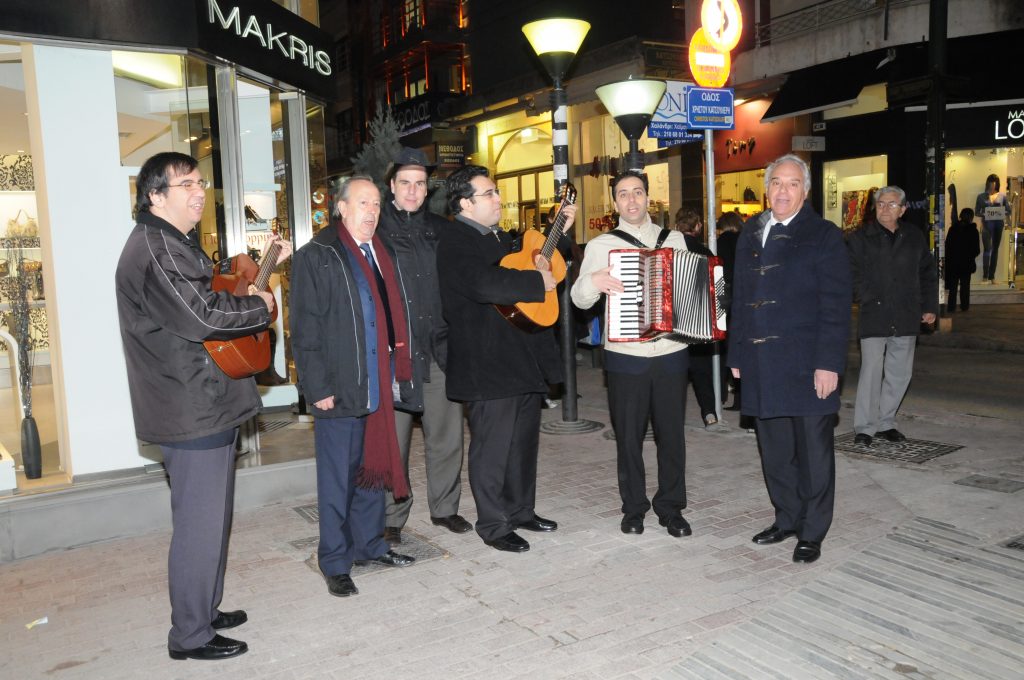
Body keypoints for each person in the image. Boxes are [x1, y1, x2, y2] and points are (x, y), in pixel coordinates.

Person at [115, 152, 292, 661]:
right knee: (198, 523)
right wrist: (260, 305)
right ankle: (189, 635)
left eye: (201, 181)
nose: (199, 192)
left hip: (203, 401)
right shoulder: (156, 246)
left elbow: (202, 301)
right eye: (186, 183)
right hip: (189, 407)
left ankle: (204, 609)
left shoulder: (171, 243)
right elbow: (203, 315)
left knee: (212, 519)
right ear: (155, 195)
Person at [289, 177, 418, 598]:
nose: (371, 211)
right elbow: (304, 327)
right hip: (339, 387)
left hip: (376, 384)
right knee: (337, 480)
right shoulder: (317, 256)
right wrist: (316, 386)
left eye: (377, 204)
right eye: (363, 202)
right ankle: (335, 561)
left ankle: (370, 545)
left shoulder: (381, 252)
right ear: (340, 208)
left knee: (370, 472)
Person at [727, 154, 851, 564]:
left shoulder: (824, 235)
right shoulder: (751, 231)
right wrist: (737, 352)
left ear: (806, 191)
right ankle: (786, 518)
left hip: (806, 362)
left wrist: (829, 363)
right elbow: (740, 298)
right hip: (762, 361)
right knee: (774, 449)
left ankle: (812, 531)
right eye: (777, 183)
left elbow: (835, 305)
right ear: (767, 188)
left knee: (814, 453)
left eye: (792, 184)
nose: (783, 191)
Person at [437, 165, 567, 553]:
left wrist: (557, 231)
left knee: (523, 444)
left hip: (520, 358)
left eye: (496, 193)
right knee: (492, 449)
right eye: (489, 194)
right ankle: (493, 524)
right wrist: (534, 283)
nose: (498, 199)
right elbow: (483, 283)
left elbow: (528, 263)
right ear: (465, 203)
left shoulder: (498, 236)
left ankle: (521, 510)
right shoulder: (455, 240)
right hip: (486, 365)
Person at [570, 170, 692, 539]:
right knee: (629, 436)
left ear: (647, 197)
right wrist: (594, 282)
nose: (631, 200)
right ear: (614, 202)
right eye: (623, 194)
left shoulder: (676, 240)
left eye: (637, 192)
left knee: (672, 435)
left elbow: (689, 290)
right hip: (625, 354)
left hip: (672, 350)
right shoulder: (600, 245)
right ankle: (633, 508)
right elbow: (578, 298)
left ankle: (671, 508)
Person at [376, 147, 470, 545]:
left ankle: (445, 508)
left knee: (447, 436)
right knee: (392, 442)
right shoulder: (374, 229)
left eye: (419, 183)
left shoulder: (444, 228)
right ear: (391, 186)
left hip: (440, 349)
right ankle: (391, 514)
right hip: (395, 355)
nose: (412, 191)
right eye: (404, 183)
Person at [848, 186, 938, 447]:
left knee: (899, 373)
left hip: (907, 313)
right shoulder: (861, 237)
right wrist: (866, 295)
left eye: (891, 204)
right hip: (874, 314)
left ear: (903, 209)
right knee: (871, 372)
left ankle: (886, 422)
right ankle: (864, 427)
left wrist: (929, 306)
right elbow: (851, 274)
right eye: (881, 204)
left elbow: (927, 274)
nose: (885, 209)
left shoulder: (914, 236)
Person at [673, 207, 718, 428]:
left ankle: (669, 414)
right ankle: (709, 412)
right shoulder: (706, 252)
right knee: (701, 369)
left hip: (673, 316)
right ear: (698, 227)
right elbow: (715, 287)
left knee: (672, 368)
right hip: (699, 317)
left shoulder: (667, 249)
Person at [975, 173, 1011, 283]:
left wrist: (1000, 212)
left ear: (997, 184)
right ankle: (985, 276)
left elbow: (1008, 211)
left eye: (995, 183)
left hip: (998, 226)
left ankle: (992, 276)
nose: (993, 185)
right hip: (986, 226)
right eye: (991, 183)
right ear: (988, 183)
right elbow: (976, 212)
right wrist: (985, 213)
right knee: (987, 250)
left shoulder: (1002, 197)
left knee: (995, 250)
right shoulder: (981, 196)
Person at [945, 207, 981, 313]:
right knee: (965, 286)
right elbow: (976, 249)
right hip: (967, 263)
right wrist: (969, 256)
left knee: (953, 287)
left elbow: (948, 246)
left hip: (954, 263)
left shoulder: (953, 229)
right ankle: (964, 306)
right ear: (971, 217)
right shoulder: (973, 231)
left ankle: (951, 307)